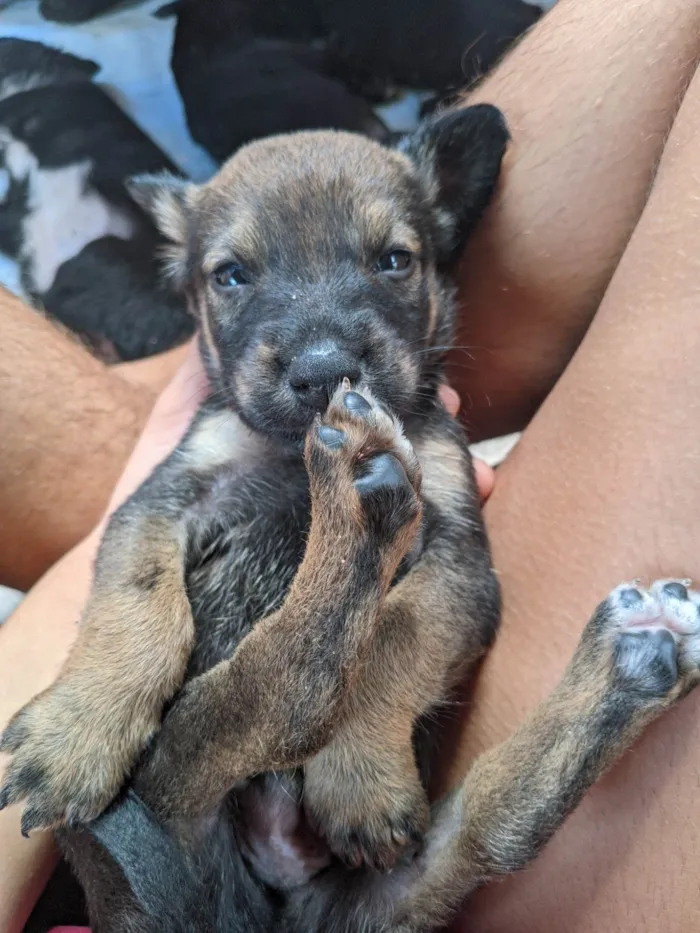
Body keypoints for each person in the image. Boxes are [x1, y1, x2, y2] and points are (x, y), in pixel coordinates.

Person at [2, 0, 700, 928]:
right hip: (239, 838)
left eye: (389, 262)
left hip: (195, 830)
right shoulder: (229, 427)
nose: (323, 353)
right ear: (193, 283)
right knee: (445, 861)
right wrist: (112, 680)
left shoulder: (422, 435)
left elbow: (456, 589)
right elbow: (148, 528)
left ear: (439, 253)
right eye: (237, 275)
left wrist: (367, 721)